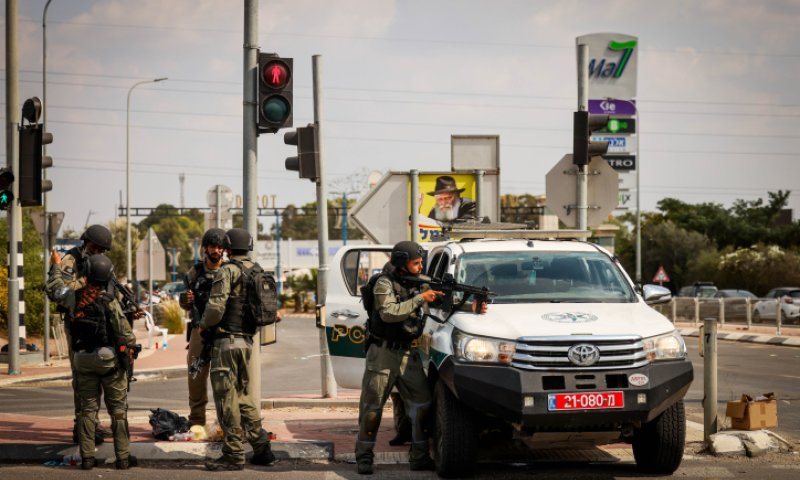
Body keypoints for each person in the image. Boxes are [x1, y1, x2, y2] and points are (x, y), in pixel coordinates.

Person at [355, 240, 442, 475]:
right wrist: (421, 298)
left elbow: (445, 302)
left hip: (407, 352)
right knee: (372, 409)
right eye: (416, 262)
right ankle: (364, 458)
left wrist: (475, 306)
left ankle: (420, 458)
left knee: (423, 405)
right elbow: (389, 314)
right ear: (403, 261)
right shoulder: (383, 283)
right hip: (382, 354)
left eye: (421, 261)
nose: (421, 265)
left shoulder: (417, 282)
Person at [49, 254, 137, 470]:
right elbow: (126, 335)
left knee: (87, 410)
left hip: (81, 360)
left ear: (85, 275)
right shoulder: (109, 301)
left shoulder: (72, 297)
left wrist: (56, 266)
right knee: (117, 410)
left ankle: (87, 458)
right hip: (107, 361)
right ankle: (123, 458)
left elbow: (54, 288)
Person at [199, 228, 276, 471]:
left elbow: (215, 309)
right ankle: (262, 449)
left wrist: (203, 326)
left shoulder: (228, 270)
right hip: (247, 343)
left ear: (229, 248)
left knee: (226, 400)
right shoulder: (257, 270)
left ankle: (233, 455)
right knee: (245, 398)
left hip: (226, 344)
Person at [46, 224, 114, 446]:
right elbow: (60, 292)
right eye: (95, 248)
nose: (98, 254)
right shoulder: (71, 260)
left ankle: (92, 422)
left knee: (100, 375)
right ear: (85, 243)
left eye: (102, 251)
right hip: (77, 324)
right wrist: (85, 282)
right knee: (82, 376)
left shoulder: (99, 262)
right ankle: (83, 425)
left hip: (99, 322)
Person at [180, 228, 226, 427]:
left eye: (219, 247)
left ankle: (226, 421)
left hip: (224, 331)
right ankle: (197, 419)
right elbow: (186, 303)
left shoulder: (229, 269)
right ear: (205, 248)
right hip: (199, 330)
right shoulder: (195, 272)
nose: (216, 250)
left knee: (224, 378)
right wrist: (184, 300)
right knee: (196, 375)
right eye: (212, 246)